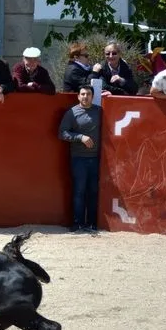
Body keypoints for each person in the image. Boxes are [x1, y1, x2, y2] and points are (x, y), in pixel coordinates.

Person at [58, 85, 102, 232]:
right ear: (78, 96)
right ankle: (78, 223)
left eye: (88, 94)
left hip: (97, 159)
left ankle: (92, 223)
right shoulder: (72, 113)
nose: (85, 97)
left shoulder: (100, 111)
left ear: (92, 96)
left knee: (94, 192)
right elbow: (62, 133)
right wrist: (80, 137)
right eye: (82, 94)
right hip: (79, 159)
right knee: (79, 191)